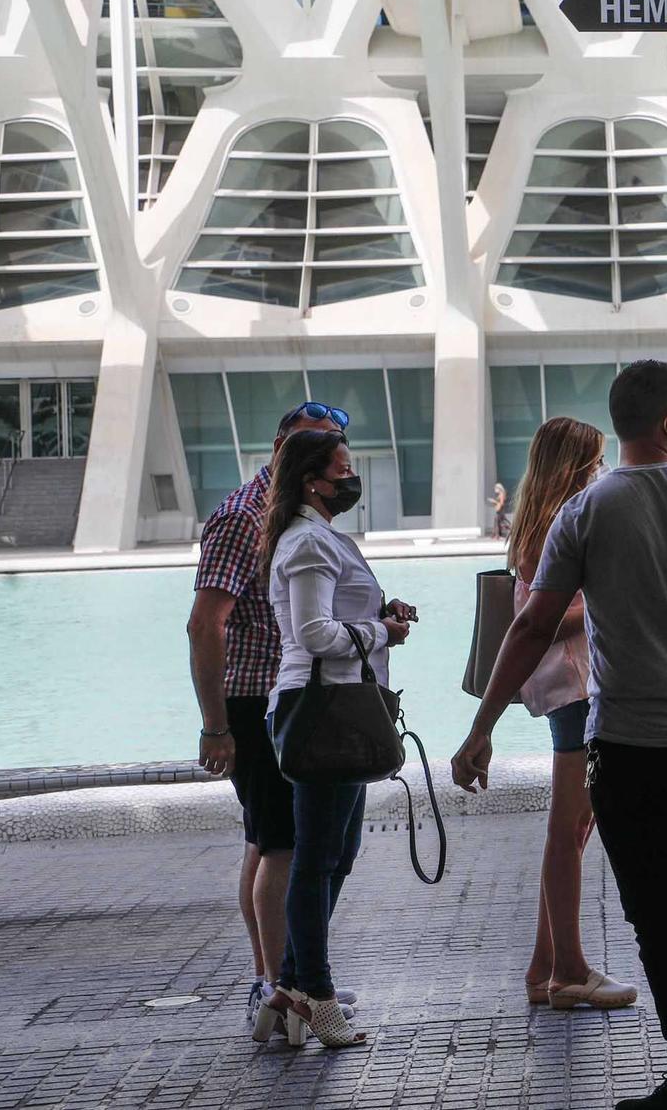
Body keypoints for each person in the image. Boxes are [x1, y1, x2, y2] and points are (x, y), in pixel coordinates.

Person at [453, 360, 667, 1110]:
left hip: (627, 745)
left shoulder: (586, 511)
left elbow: (532, 622)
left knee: (656, 915)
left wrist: (483, 725)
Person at [186, 400, 349, 1036]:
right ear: (283, 449)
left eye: (332, 449)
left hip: (277, 700)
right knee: (281, 844)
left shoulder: (285, 515)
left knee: (268, 841)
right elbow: (205, 623)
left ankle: (279, 978)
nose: (328, 463)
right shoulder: (241, 517)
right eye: (313, 448)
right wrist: (216, 724)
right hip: (255, 703)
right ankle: (278, 986)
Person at [254, 429, 418, 1049]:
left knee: (335, 855)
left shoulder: (316, 537)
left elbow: (333, 619)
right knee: (318, 858)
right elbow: (315, 634)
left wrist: (381, 614)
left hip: (336, 707)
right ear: (311, 481)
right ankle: (316, 997)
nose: (351, 480)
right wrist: (382, 633)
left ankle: (290, 990)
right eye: (342, 471)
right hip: (322, 709)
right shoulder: (307, 543)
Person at [504, 416, 637, 1012]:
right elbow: (549, 620)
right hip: (576, 692)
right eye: (594, 462)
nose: (601, 472)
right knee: (568, 829)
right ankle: (570, 971)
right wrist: (614, 600)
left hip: (570, 689)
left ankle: (543, 966)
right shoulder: (556, 528)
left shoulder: (542, 523)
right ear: (574, 466)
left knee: (575, 830)